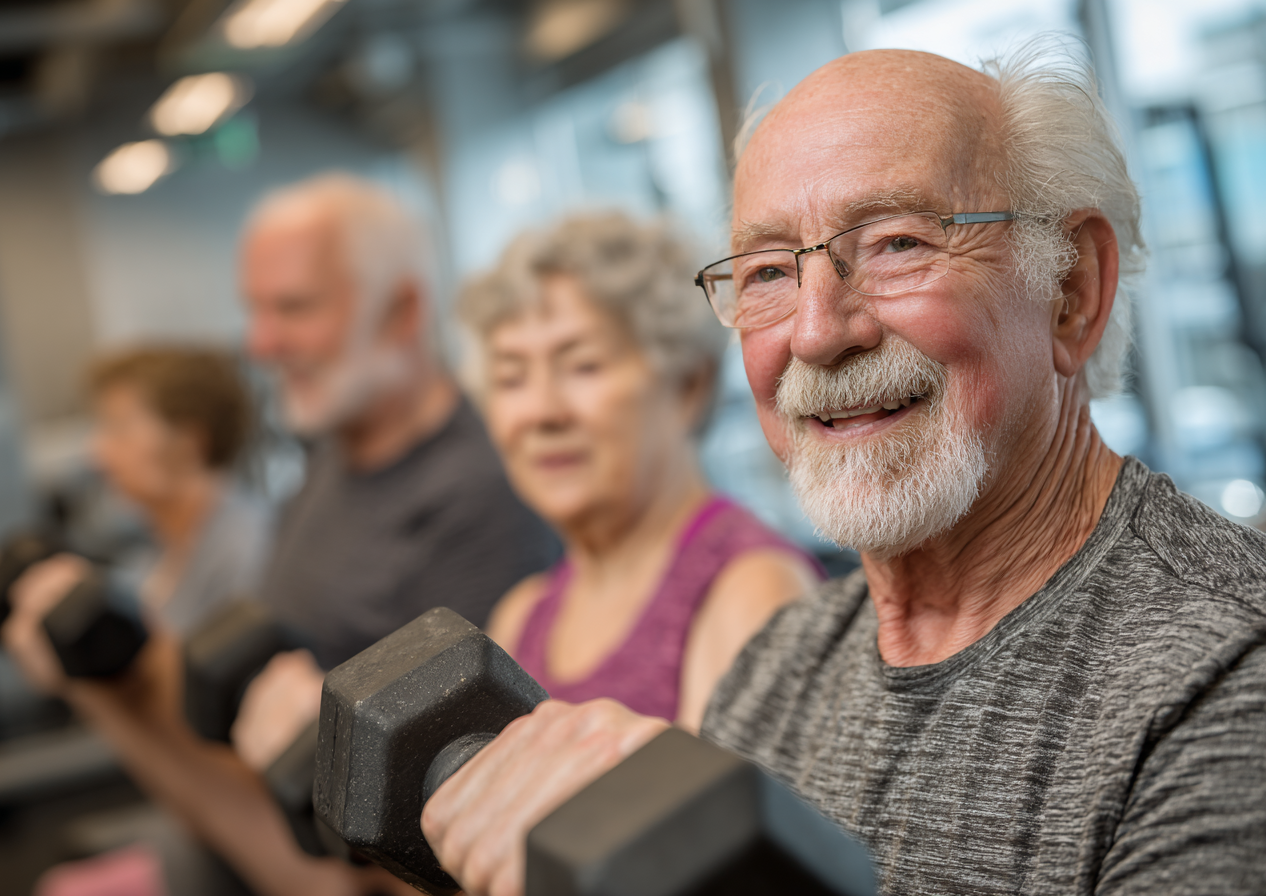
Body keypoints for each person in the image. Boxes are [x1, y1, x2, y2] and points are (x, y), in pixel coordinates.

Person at [413, 47, 1266, 896]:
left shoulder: (1228, 665)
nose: (818, 332)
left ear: (1072, 289)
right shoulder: (776, 668)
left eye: (898, 243)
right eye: (769, 272)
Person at [0, 174, 556, 896]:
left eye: (293, 308)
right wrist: (105, 682)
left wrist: (122, 688)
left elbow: (418, 858)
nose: (260, 344)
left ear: (402, 311)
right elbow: (238, 722)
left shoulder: (482, 498)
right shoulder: (324, 467)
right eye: (254, 311)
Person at [456, 212, 823, 731]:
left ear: (688, 385)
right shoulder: (519, 619)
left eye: (583, 365)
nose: (542, 412)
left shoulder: (753, 590)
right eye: (510, 377)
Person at [0, 346, 268, 635]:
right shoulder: (154, 556)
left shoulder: (249, 554)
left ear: (189, 442)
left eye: (119, 428)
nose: (96, 454)